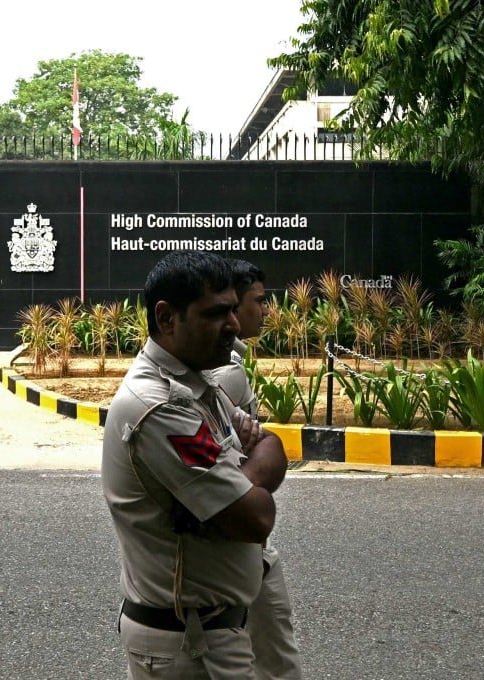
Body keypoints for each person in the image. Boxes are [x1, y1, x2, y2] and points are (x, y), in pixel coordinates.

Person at [102, 250, 288, 679]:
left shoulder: (197, 384)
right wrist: (243, 492)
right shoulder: (160, 408)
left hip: (212, 635)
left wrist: (239, 480)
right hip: (189, 648)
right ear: (167, 319)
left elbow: (273, 445)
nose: (235, 326)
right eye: (216, 313)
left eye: (233, 310)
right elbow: (256, 517)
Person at [207, 260, 302, 679]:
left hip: (238, 530)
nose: (265, 311)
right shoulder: (225, 373)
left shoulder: (228, 365)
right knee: (276, 658)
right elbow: (241, 455)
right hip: (242, 533)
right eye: (257, 302)